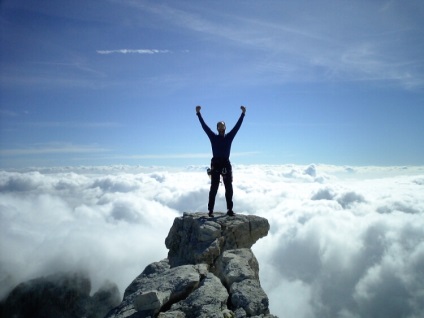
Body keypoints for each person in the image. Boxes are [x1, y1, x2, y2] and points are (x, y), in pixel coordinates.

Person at [196, 105, 246, 217]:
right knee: (214, 188)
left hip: (225, 164)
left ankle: (229, 209)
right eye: (219, 127)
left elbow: (237, 127)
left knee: (229, 187)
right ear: (217, 129)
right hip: (216, 164)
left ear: (225, 128)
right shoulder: (213, 137)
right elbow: (204, 127)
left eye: (223, 126)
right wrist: (198, 114)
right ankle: (210, 211)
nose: (221, 128)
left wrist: (243, 114)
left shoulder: (229, 137)